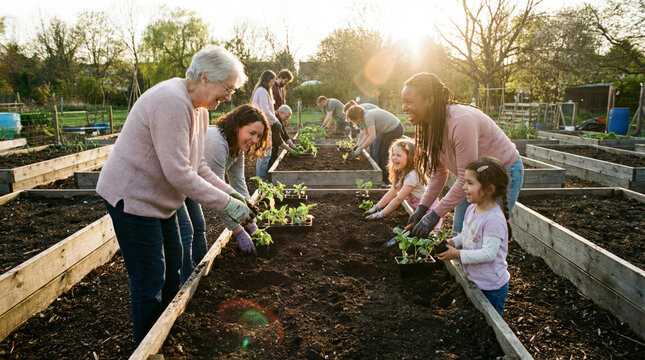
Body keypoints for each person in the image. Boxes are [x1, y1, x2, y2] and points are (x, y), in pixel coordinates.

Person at [96, 45, 255, 344]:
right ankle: (147, 344)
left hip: (159, 201)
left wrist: (233, 194)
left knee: (175, 265)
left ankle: (165, 332)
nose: (229, 96)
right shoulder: (171, 100)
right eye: (228, 88)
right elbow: (180, 173)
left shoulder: (200, 110)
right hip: (132, 199)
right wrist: (227, 206)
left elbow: (199, 166)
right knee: (150, 278)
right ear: (206, 77)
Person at [403, 72, 523, 237]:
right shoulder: (429, 127)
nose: (404, 108)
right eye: (403, 102)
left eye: (409, 102)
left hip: (502, 175)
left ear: (429, 100)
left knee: (484, 236)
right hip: (472, 179)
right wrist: (423, 208)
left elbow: (466, 177)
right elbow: (439, 173)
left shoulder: (461, 121)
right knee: (460, 234)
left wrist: (434, 215)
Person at [177, 104, 271, 283]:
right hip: (180, 183)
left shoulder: (237, 147)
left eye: (259, 136)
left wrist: (250, 220)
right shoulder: (217, 143)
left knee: (198, 225)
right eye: (252, 133)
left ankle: (198, 272)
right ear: (237, 126)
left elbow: (238, 184)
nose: (255, 139)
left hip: (193, 184)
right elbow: (217, 192)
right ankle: (185, 280)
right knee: (186, 231)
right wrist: (236, 230)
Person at [436, 157, 512, 315]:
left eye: (470, 183)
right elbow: (466, 236)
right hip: (474, 280)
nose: (464, 187)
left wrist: (456, 254)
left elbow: (488, 254)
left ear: (490, 189)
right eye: (464, 182)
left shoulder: (494, 219)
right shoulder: (471, 210)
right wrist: (453, 242)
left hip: (491, 287)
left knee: (490, 324)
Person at [363, 138, 441, 226]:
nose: (394, 158)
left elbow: (399, 199)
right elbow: (392, 192)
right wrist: (376, 207)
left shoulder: (412, 175)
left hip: (430, 211)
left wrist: (381, 214)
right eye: (393, 154)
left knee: (429, 236)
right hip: (417, 209)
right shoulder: (401, 172)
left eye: (398, 155)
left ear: (410, 157)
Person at [346, 106, 403, 186]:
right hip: (388, 130)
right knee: (379, 153)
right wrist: (358, 146)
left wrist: (361, 148)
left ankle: (386, 180)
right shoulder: (363, 119)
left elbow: (372, 136)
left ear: (356, 117)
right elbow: (366, 134)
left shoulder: (368, 117)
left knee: (382, 153)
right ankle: (383, 177)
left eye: (353, 120)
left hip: (394, 129)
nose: (353, 122)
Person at [254, 70, 287, 181]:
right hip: (263, 124)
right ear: (267, 80)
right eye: (272, 81)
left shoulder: (260, 90)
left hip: (263, 123)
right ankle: (262, 180)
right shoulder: (263, 91)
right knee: (265, 154)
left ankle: (261, 178)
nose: (273, 84)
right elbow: (265, 110)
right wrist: (276, 121)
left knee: (264, 153)